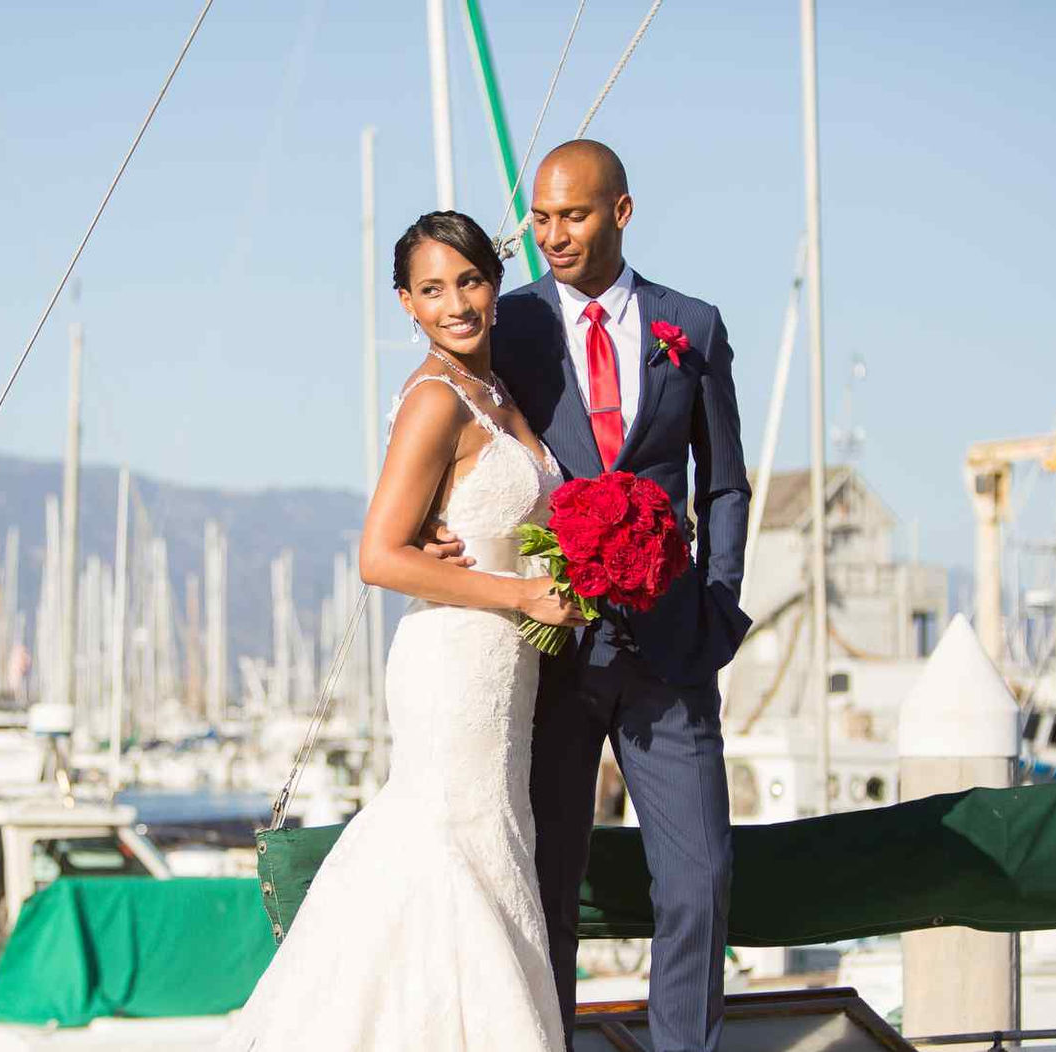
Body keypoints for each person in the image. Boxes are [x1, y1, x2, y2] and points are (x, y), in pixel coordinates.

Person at [218, 210, 583, 1051]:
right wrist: (521, 596)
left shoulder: (496, 392)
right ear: (406, 304)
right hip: (454, 660)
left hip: (506, 664)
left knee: (487, 848)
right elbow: (379, 557)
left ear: (495, 284)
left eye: (470, 281)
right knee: (448, 843)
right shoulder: (434, 399)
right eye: (433, 289)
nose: (456, 304)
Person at [433, 139, 752, 1052]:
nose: (552, 235)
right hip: (548, 650)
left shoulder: (691, 325)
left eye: (572, 215)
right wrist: (437, 527)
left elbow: (724, 482)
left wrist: (717, 606)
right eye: (540, 218)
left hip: (673, 647)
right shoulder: (509, 323)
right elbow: (451, 426)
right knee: (546, 887)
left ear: (621, 211)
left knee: (700, 881)